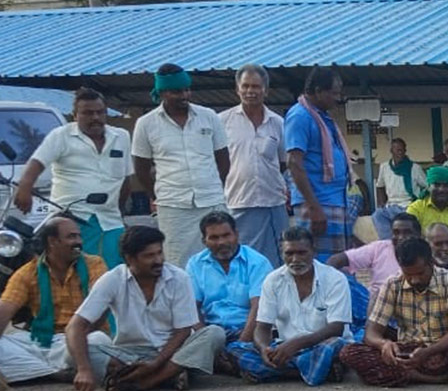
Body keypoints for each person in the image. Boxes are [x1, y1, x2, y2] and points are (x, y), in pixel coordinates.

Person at [66, 224, 226, 391]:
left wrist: (156, 364)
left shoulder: (178, 278)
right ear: (130, 259)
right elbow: (74, 326)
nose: (158, 260)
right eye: (149, 256)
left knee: (214, 334)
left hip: (172, 351)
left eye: (159, 253)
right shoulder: (113, 279)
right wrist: (83, 370)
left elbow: (183, 331)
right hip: (128, 354)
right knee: (74, 350)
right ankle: (168, 376)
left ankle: (145, 382)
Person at [338, 237, 448, 386]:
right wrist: (383, 344)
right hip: (406, 351)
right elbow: (371, 332)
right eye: (408, 275)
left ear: (431, 263)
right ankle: (437, 378)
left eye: (420, 273)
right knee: (349, 353)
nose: (414, 280)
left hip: (444, 349)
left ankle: (405, 376)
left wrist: (429, 352)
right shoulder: (392, 284)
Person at [14, 88, 131, 266]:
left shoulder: (121, 137)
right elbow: (36, 163)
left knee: (114, 273)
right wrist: (25, 188)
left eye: (100, 112)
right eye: (88, 113)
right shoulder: (61, 136)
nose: (96, 118)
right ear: (75, 115)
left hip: (111, 221)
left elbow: (125, 179)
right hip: (72, 219)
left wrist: (121, 211)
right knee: (76, 273)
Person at [130, 63, 230, 266]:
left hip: (211, 200)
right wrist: (156, 194)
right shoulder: (146, 123)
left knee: (220, 257)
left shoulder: (209, 116)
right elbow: (140, 167)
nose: (184, 95)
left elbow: (223, 159)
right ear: (162, 92)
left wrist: (212, 185)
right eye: (177, 91)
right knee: (178, 262)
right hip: (173, 206)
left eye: (187, 89)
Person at [226, 226, 351, 385]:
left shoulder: (335, 279)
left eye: (301, 253)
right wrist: (265, 350)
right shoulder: (273, 280)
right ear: (281, 253)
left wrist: (296, 344)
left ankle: (277, 373)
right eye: (289, 253)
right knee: (235, 348)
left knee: (334, 346)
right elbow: (262, 327)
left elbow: (336, 328)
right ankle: (307, 372)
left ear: (314, 251)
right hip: (285, 348)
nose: (295, 259)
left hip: (320, 344)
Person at [0, 215, 109, 387]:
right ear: (52, 241)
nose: (79, 241)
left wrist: (77, 339)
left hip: (79, 339)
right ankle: (55, 374)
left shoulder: (94, 264)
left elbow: (102, 307)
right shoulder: (27, 272)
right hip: (41, 341)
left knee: (98, 342)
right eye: (71, 237)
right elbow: (5, 309)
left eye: (79, 236)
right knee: (4, 343)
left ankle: (39, 372)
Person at [185, 211, 273, 370]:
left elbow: (258, 307)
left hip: (249, 330)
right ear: (204, 241)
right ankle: (228, 363)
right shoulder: (195, 264)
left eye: (226, 235)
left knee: (265, 345)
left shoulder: (257, 262)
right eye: (214, 237)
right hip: (213, 331)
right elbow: (192, 308)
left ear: (237, 235)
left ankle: (218, 363)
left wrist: (242, 343)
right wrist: (205, 339)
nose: (222, 242)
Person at [219, 64, 288, 264]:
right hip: (238, 202)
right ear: (237, 89)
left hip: (273, 203)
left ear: (265, 90)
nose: (250, 91)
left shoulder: (277, 123)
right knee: (243, 260)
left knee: (278, 259)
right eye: (246, 86)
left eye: (256, 87)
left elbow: (283, 163)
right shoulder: (222, 122)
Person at [284, 66, 351, 261]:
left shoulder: (322, 116)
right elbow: (294, 163)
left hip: (333, 201)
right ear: (319, 91)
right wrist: (314, 207)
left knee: (338, 264)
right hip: (318, 204)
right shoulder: (300, 116)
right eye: (334, 93)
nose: (338, 98)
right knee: (322, 265)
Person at [330, 211, 420, 312]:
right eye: (396, 232)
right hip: (376, 307)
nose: (401, 237)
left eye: (407, 232)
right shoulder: (380, 248)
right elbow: (336, 260)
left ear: (418, 235)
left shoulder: (426, 254)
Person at [373, 137, 427, 240]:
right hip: (391, 205)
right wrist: (381, 204)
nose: (400, 153)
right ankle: (389, 243)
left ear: (405, 151)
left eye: (402, 150)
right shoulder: (384, 167)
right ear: (391, 151)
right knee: (377, 215)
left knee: (409, 224)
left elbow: (427, 186)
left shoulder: (414, 167)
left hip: (408, 206)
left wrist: (419, 200)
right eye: (397, 150)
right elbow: (380, 186)